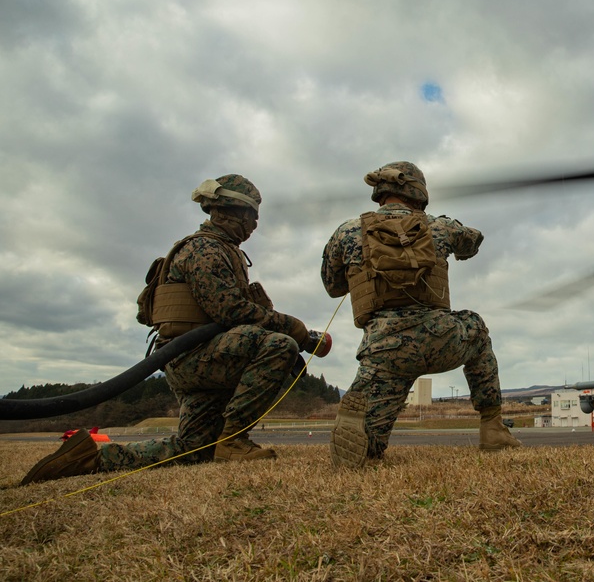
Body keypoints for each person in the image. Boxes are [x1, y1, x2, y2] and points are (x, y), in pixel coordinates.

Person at [21, 174, 315, 485]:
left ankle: (88, 458)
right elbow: (229, 310)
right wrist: (290, 325)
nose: (254, 225)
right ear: (230, 211)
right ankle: (233, 443)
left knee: (192, 449)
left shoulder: (222, 250)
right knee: (280, 346)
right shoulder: (205, 249)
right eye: (251, 216)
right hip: (196, 357)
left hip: (199, 358)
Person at [321, 161, 520, 468]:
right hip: (440, 338)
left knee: (368, 446)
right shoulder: (438, 226)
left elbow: (332, 287)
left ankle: (365, 428)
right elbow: (473, 241)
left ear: (379, 192)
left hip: (384, 351)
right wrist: (448, 231)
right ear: (419, 193)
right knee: (477, 329)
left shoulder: (347, 231)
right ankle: (492, 428)